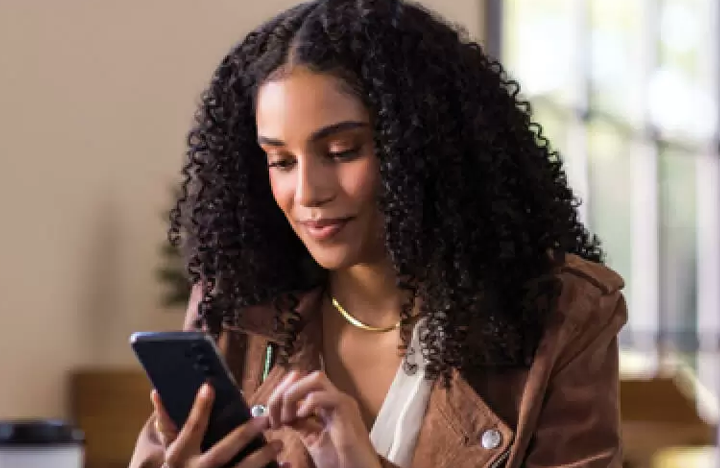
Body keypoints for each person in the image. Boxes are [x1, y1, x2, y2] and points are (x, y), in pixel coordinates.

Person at [129, 0, 627, 467]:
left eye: (343, 151)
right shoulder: (234, 306)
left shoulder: (560, 314)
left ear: (425, 146)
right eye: (280, 161)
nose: (307, 192)